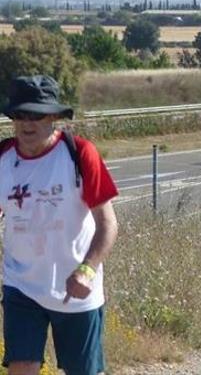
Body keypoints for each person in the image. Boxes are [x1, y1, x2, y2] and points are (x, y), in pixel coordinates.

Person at [0, 75, 119, 375]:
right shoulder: (2, 157)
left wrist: (87, 269)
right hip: (21, 285)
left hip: (76, 288)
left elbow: (108, 224)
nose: (28, 124)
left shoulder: (79, 154)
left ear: (53, 116)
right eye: (20, 115)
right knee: (22, 367)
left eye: (37, 115)